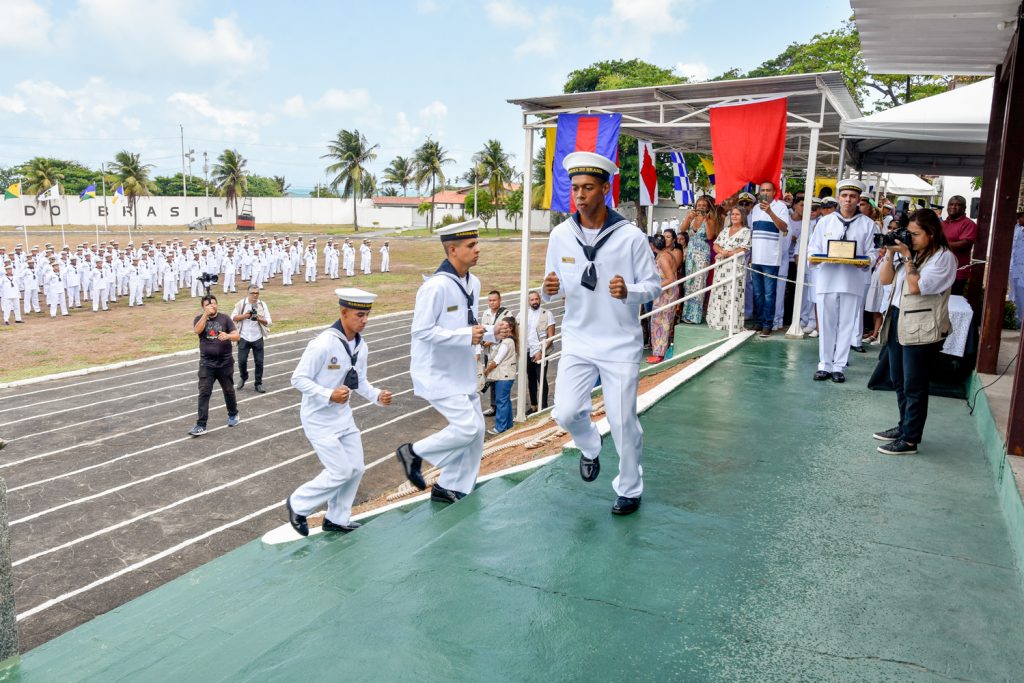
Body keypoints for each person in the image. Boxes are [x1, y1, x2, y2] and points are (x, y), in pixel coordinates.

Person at [542, 151, 661, 516]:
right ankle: (589, 444)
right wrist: (547, 289)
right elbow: (554, 288)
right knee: (564, 412)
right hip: (578, 338)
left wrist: (631, 292)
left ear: (605, 190)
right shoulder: (561, 235)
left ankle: (629, 487)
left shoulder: (631, 237)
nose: (579, 195)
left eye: (588, 188)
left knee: (623, 420)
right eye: (575, 188)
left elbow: (654, 286)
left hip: (620, 341)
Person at [395, 219, 509, 504]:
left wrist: (493, 333)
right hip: (437, 372)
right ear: (452, 250)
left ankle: (450, 486)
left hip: (462, 371)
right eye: (471, 245)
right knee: (467, 428)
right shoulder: (435, 287)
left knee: (477, 430)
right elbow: (421, 330)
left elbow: (467, 325)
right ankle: (413, 453)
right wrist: (464, 335)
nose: (478, 250)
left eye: (477, 244)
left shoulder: (473, 282)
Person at [285, 288, 394, 537]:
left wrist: (377, 395)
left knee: (356, 468)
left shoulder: (360, 345)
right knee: (340, 471)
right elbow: (298, 379)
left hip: (343, 417)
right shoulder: (323, 343)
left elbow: (360, 382)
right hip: (319, 419)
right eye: (359, 315)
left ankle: (337, 518)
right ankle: (298, 504)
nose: (364, 320)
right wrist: (328, 394)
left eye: (367, 315)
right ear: (343, 312)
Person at [874, 210, 957, 455]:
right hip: (899, 318)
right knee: (899, 380)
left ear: (931, 234)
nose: (911, 238)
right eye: (908, 234)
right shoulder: (915, 253)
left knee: (914, 384)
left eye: (915, 234)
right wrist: (890, 254)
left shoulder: (943, 258)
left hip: (922, 325)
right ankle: (904, 426)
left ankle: (910, 440)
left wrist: (908, 257)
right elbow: (885, 280)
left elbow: (917, 287)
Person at [807, 179, 878, 383]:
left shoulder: (867, 224)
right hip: (827, 278)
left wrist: (866, 262)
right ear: (839, 197)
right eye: (845, 195)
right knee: (827, 323)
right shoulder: (825, 221)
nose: (848, 200)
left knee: (847, 324)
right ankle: (824, 364)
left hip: (852, 280)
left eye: (853, 196)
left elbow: (872, 252)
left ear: (858, 199)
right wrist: (815, 258)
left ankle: (839, 366)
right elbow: (813, 248)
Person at [189, 294, 241, 437]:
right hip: (207, 363)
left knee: (228, 390)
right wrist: (205, 315)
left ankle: (233, 414)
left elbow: (237, 336)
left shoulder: (225, 318)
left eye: (214, 304)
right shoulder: (199, 319)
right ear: (203, 307)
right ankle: (201, 425)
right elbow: (197, 331)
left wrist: (228, 336)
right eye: (208, 305)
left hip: (225, 362)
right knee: (204, 393)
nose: (212, 306)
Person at [749, 181, 790, 337]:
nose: (765, 193)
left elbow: (784, 228)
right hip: (757, 258)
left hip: (772, 258)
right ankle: (759, 322)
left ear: (774, 192)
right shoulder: (754, 209)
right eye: (763, 190)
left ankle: (768, 324)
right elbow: (754, 234)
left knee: (769, 294)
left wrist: (770, 212)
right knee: (758, 293)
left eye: (768, 190)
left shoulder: (781, 207)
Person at [706, 206, 751, 331]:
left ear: (742, 216)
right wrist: (721, 251)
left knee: (733, 292)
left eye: (737, 214)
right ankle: (717, 321)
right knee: (719, 291)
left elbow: (744, 248)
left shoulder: (746, 231)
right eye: (732, 214)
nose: (734, 216)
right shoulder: (726, 230)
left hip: (735, 265)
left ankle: (732, 324)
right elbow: (715, 244)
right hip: (721, 266)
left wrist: (727, 253)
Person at [679, 195, 718, 323]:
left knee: (699, 282)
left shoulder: (711, 218)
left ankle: (695, 315)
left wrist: (706, 220)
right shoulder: (692, 217)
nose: (701, 207)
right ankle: (687, 314)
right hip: (691, 253)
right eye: (699, 205)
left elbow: (709, 235)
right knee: (689, 282)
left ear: (707, 207)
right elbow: (682, 230)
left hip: (702, 253)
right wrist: (688, 218)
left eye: (704, 205)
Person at [519, 290, 556, 412]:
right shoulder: (522, 315)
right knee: (531, 379)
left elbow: (550, 336)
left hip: (541, 351)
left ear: (540, 299)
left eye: (536, 299)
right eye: (532, 300)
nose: (535, 301)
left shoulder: (547, 314)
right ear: (528, 301)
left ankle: (544, 407)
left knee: (542, 379)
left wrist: (541, 351)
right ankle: (534, 406)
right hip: (527, 351)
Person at [232, 285, 272, 393]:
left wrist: (258, 318)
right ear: (248, 293)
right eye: (252, 293)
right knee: (241, 361)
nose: (255, 295)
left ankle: (258, 383)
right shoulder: (241, 304)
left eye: (257, 293)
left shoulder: (262, 305)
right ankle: (243, 376)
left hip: (257, 337)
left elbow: (269, 321)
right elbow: (233, 317)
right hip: (244, 337)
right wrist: (245, 316)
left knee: (259, 362)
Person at [484, 316, 518, 436]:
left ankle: (500, 427)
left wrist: (486, 371)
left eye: (504, 326)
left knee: (501, 401)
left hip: (504, 376)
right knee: (505, 401)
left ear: (510, 328)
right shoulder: (509, 340)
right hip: (507, 376)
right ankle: (508, 425)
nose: (501, 328)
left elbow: (497, 360)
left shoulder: (506, 342)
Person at [647, 234, 677, 363]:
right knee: (664, 322)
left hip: (665, 293)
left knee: (660, 323)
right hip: (668, 292)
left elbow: (670, 278)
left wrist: (655, 287)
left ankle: (659, 354)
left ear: (652, 246)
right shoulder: (668, 254)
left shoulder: (663, 258)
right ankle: (661, 352)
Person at [479, 289, 509, 418]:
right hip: (488, 353)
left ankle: (500, 408)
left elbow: (507, 332)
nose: (491, 303)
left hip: (501, 352)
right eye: (489, 300)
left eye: (494, 300)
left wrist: (490, 341)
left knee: (499, 379)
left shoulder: (507, 314)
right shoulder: (485, 313)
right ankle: (493, 406)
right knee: (490, 378)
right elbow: (482, 330)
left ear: (500, 300)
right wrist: (483, 341)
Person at [941, 195, 977, 296]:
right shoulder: (943, 224)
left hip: (957, 273)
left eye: (957, 205)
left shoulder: (968, 224)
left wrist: (940, 245)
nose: (953, 207)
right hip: (940, 271)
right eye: (951, 204)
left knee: (953, 304)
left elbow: (964, 244)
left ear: (964, 208)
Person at [1011, 212, 1024, 327]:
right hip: (1014, 268)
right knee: (1014, 295)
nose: (1019, 219)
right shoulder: (1017, 229)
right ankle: (1017, 321)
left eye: (1020, 217)